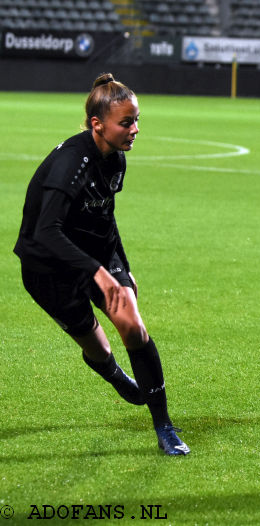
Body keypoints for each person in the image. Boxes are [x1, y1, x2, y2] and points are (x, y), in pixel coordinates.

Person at [14, 73, 190, 456]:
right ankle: (114, 374)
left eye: (137, 120)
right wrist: (95, 272)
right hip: (47, 267)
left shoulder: (116, 160)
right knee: (95, 345)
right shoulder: (70, 164)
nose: (135, 129)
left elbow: (105, 215)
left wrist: (121, 268)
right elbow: (45, 231)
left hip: (96, 255)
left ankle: (164, 426)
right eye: (126, 122)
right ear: (98, 124)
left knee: (133, 326)